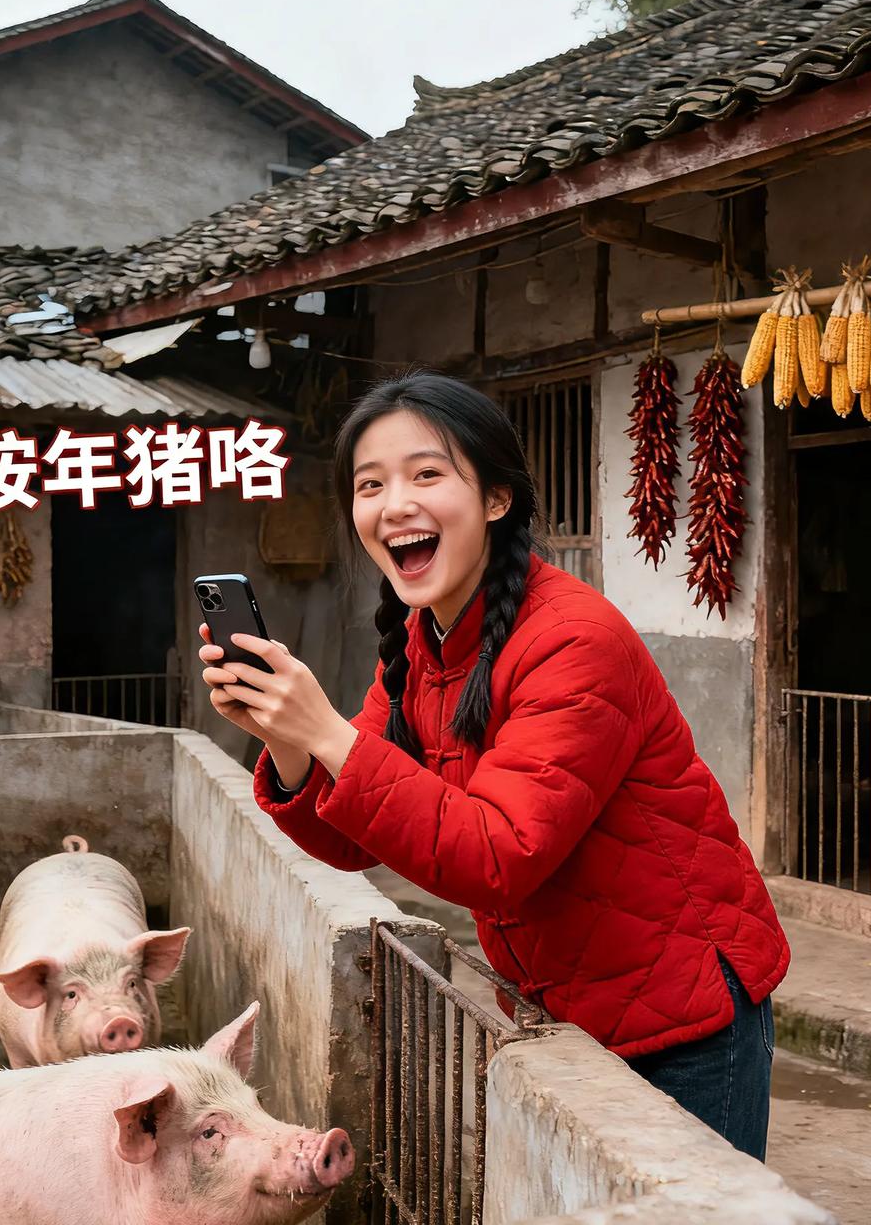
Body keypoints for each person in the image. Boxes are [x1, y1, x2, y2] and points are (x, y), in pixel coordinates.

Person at [198, 370, 789, 1161]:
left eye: (427, 474)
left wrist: (330, 734)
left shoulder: (573, 640)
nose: (393, 503)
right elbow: (357, 840)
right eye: (370, 485)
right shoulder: (422, 646)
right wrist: (289, 742)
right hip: (561, 1008)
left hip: (678, 1014)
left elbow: (498, 856)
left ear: (497, 498)